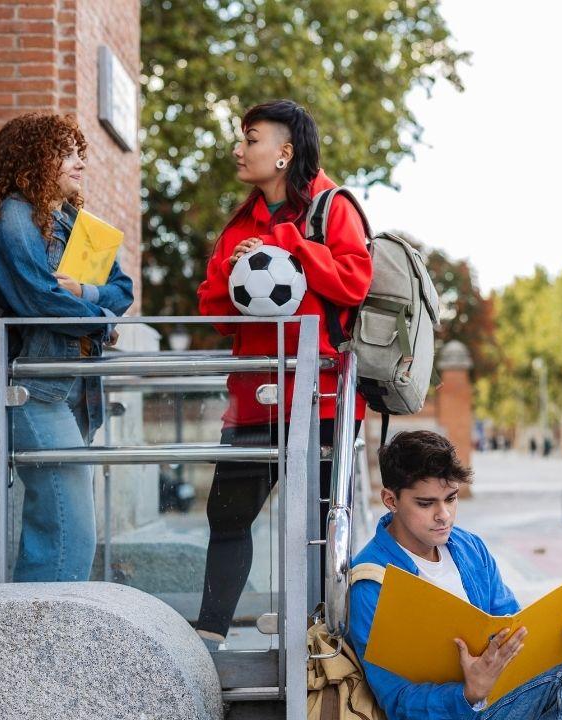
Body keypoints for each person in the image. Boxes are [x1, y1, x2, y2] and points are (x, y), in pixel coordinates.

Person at [194, 99, 372, 649]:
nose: (238, 149)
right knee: (226, 516)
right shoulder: (240, 223)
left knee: (318, 529)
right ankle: (208, 636)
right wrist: (236, 269)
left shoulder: (332, 206)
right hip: (251, 401)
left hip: (318, 400)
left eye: (250, 139)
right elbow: (214, 313)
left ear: (284, 153)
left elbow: (353, 283)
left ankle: (319, 646)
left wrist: (289, 246)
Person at [0, 112, 134, 581]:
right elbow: (38, 299)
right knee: (68, 525)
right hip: (32, 388)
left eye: (80, 152)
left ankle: (32, 633)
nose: (79, 162)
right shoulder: (15, 217)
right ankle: (40, 639)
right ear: (35, 159)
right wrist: (102, 322)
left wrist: (87, 295)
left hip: (75, 387)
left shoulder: (76, 221)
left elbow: (122, 290)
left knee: (59, 524)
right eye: (67, 153)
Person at [348, 431, 562, 719]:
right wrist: (468, 693)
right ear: (390, 500)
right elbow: (396, 701)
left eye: (451, 498)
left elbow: (511, 625)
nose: (443, 515)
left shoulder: (469, 547)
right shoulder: (371, 583)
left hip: (496, 699)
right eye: (426, 503)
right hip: (449, 710)